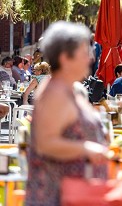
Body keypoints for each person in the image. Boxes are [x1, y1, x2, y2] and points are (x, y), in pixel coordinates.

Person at [26, 21, 109, 205]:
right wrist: (86, 148)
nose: (91, 58)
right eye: (84, 53)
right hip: (57, 195)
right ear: (65, 58)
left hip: (75, 194)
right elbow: (45, 143)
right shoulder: (54, 93)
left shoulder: (70, 89)